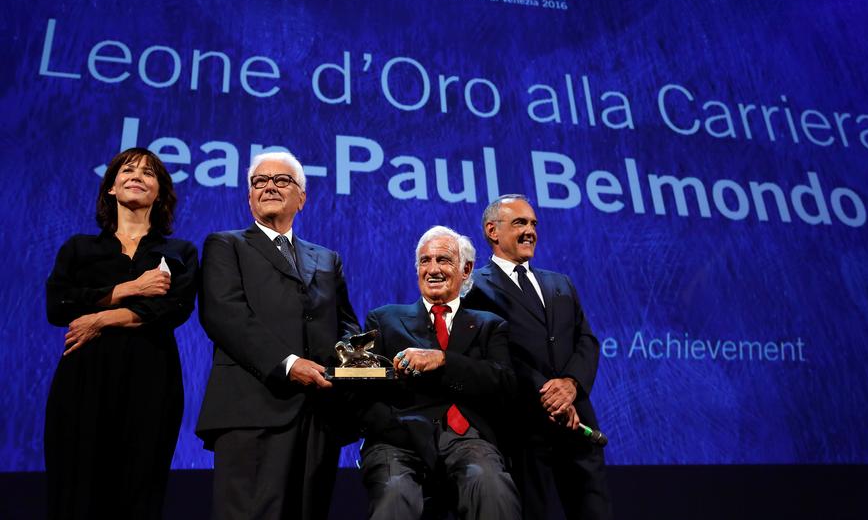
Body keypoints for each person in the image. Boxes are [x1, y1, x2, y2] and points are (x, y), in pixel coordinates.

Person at [196, 151, 359, 520]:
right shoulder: (225, 245)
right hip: (252, 411)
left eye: (282, 180)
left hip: (319, 414)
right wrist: (288, 365)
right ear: (249, 196)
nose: (269, 186)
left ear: (301, 197)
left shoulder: (327, 258)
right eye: (260, 181)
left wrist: (351, 364)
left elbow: (346, 323)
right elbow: (226, 316)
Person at [45, 147, 199, 520]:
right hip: (84, 381)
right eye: (128, 170)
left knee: (140, 493)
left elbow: (173, 309)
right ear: (111, 188)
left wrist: (99, 319)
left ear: (159, 192)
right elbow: (58, 307)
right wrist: (128, 289)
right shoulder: (80, 248)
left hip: (152, 382)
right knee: (76, 493)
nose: (137, 176)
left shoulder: (179, 252)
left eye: (149, 174)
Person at [462, 195, 612, 520]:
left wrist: (571, 385)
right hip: (524, 426)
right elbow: (498, 354)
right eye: (520, 223)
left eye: (533, 224)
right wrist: (549, 394)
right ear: (492, 230)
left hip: (577, 423)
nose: (530, 231)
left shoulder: (560, 283)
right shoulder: (475, 288)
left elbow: (585, 340)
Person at [358, 225, 521, 520]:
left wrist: (444, 360)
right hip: (398, 440)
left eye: (443, 260)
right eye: (425, 261)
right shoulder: (385, 319)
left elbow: (505, 384)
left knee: (492, 489)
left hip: (468, 439)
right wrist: (389, 427)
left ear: (466, 269)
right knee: (395, 496)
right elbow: (365, 386)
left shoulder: (489, 325)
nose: (432, 269)